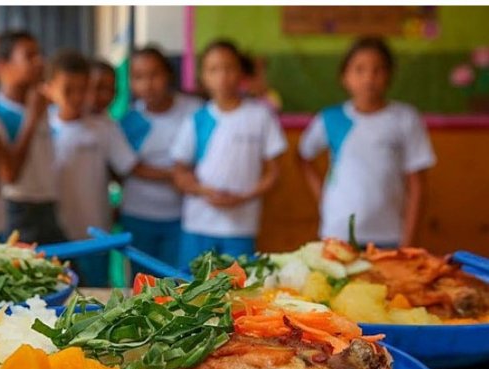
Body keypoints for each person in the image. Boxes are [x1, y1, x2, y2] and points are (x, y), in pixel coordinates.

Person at [299, 37, 435, 248]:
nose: (369, 78)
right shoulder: (330, 118)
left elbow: (417, 185)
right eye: (359, 69)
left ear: (389, 75)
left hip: (389, 234)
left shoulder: (405, 118)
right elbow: (303, 157)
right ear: (345, 76)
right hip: (338, 232)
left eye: (378, 70)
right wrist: (322, 195)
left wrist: (408, 241)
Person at [171, 39, 287, 268]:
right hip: (198, 225)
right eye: (213, 69)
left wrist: (244, 196)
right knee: (191, 290)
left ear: (241, 72)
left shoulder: (260, 116)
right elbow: (178, 173)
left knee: (239, 294)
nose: (222, 76)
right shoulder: (196, 119)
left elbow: (275, 172)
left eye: (229, 67)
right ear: (203, 77)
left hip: (241, 226)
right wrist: (204, 190)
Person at [46, 50, 138, 286]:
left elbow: (127, 168)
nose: (77, 97)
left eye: (83, 89)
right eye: (69, 89)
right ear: (50, 87)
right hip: (55, 233)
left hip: (95, 234)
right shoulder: (41, 127)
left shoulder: (104, 127)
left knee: (95, 295)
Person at [119, 46, 202, 273]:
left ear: (169, 75)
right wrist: (175, 174)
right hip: (138, 215)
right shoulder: (130, 120)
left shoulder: (193, 111)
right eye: (138, 77)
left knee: (176, 282)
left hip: (181, 216)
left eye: (154, 74)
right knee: (141, 284)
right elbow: (129, 167)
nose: (147, 84)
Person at [0, 31, 65, 244]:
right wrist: (31, 119)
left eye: (39, 54)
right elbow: (9, 174)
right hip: (21, 209)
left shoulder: (42, 104)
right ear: (3, 65)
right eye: (29, 56)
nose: (40, 61)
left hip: (48, 204)